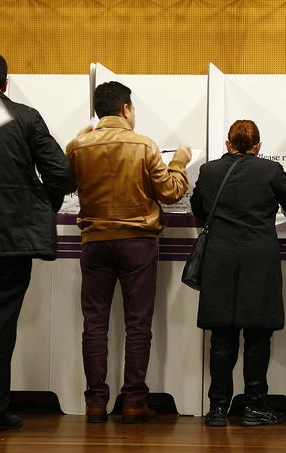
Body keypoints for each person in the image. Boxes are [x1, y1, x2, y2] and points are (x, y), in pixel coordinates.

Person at [66, 81, 190, 424]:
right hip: (138, 243)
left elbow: (63, 185)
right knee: (138, 325)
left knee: (94, 323)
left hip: (94, 242)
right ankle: (134, 400)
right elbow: (169, 192)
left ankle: (94, 402)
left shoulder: (79, 145)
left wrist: (73, 144)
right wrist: (180, 162)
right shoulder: (144, 145)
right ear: (125, 109)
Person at [191, 120, 286, 427]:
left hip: (219, 260)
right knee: (257, 336)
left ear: (227, 144)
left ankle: (217, 409)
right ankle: (255, 407)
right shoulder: (269, 171)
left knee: (221, 336)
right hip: (259, 259)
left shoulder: (209, 171)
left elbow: (199, 209)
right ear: (258, 146)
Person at [0, 49, 69, 433]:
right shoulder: (24, 118)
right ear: (6, 82)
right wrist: (36, 206)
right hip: (7, 238)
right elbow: (61, 175)